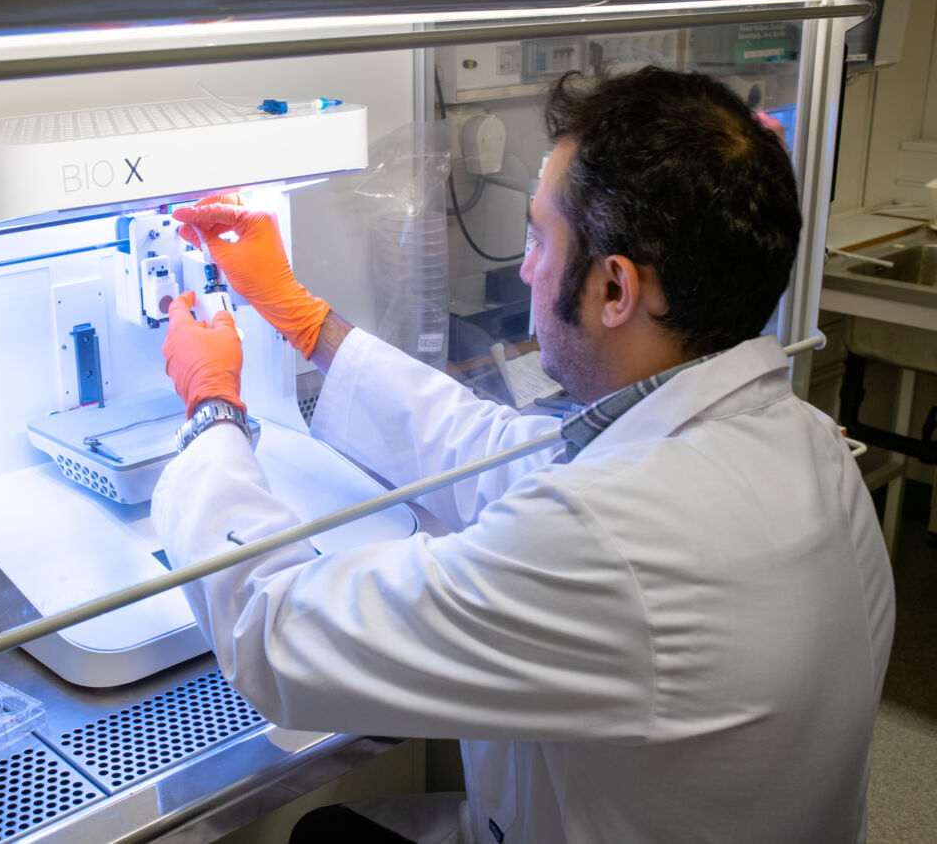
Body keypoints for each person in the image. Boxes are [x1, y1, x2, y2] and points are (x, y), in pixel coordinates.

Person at [151, 67, 895, 844]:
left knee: (320, 834)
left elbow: (281, 639)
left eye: (539, 237)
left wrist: (211, 411)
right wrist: (306, 322)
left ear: (615, 290)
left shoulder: (613, 542)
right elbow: (501, 455)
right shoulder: (806, 444)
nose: (524, 268)